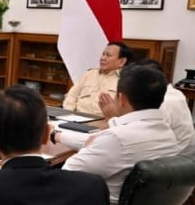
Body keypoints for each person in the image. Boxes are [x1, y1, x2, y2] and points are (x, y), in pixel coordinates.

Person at [62, 65, 181, 204]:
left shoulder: (117, 138)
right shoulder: (167, 132)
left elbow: (66, 174)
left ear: (121, 98)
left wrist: (87, 147)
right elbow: (105, 144)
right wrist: (57, 136)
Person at [55, 59, 195, 156]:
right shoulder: (173, 93)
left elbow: (120, 139)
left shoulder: (162, 103)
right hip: (172, 168)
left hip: (165, 163)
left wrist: (112, 116)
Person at [62, 41, 132, 116]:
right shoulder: (89, 74)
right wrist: (68, 114)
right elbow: (72, 95)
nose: (103, 58)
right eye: (103, 54)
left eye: (108, 55)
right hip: (76, 118)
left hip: (104, 123)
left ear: (122, 61)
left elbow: (125, 110)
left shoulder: (125, 80)